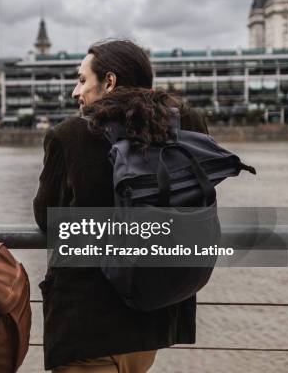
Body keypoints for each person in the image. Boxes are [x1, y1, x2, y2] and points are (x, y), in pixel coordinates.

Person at [33, 40, 209, 373]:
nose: (75, 92)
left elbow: (46, 217)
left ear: (109, 82)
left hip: (89, 328)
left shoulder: (70, 135)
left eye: (82, 80)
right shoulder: (181, 126)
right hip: (152, 324)